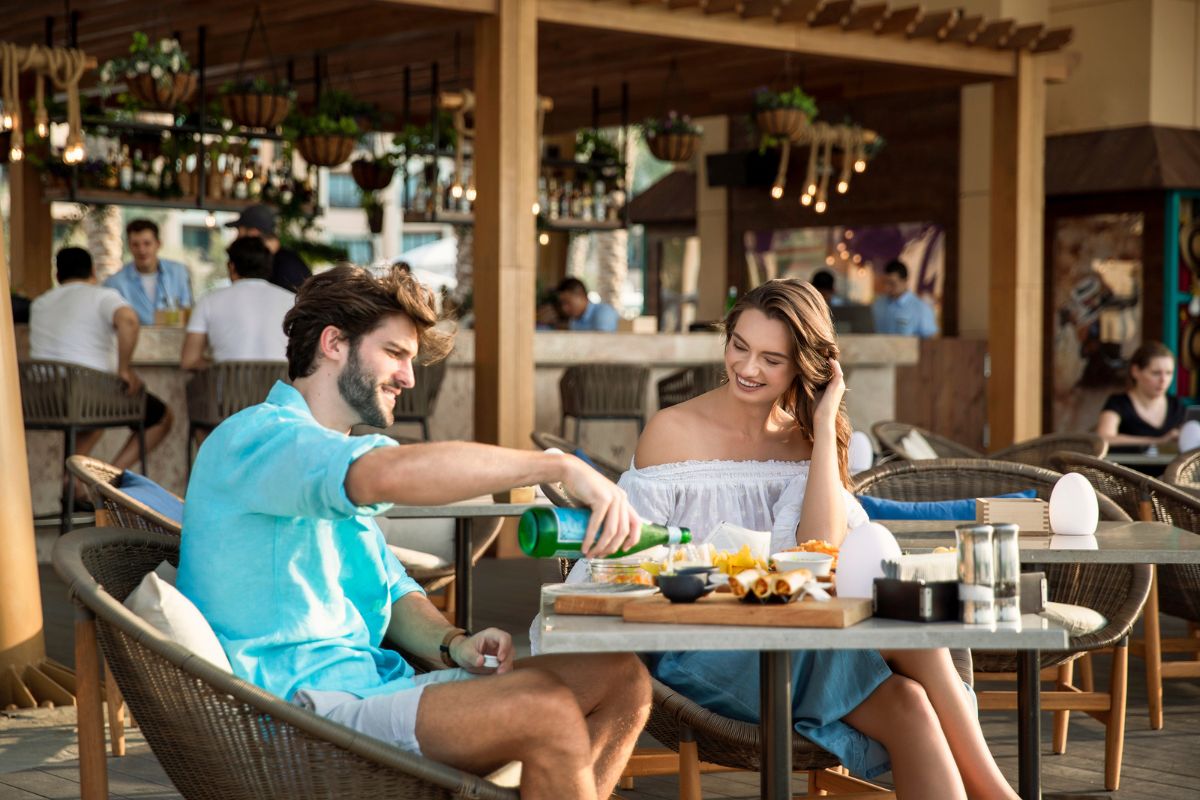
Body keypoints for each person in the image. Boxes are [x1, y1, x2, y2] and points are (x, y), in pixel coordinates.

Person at [178, 265, 650, 799]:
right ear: (334, 343)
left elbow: (393, 590)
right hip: (299, 713)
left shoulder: (325, 454)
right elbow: (390, 473)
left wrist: (454, 644)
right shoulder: (261, 437)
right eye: (395, 353)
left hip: (372, 690)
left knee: (623, 679)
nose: (409, 378)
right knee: (544, 710)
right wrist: (556, 466)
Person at [557, 279, 1019, 800]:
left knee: (911, 704)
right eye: (740, 347)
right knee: (913, 635)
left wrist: (824, 427)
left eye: (772, 359)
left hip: (798, 637)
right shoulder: (671, 431)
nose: (748, 369)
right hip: (701, 645)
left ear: (804, 364)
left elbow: (817, 548)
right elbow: (629, 558)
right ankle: (1001, 796)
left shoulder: (803, 438)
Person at [31, 248, 174, 499]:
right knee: (161, 416)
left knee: (94, 406)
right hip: (89, 395)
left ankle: (74, 476)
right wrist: (124, 369)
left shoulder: (41, 303)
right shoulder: (102, 296)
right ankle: (108, 478)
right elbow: (128, 320)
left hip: (43, 398)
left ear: (57, 274)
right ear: (93, 272)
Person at [180, 237, 295, 370]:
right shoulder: (292, 301)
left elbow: (189, 361)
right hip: (279, 388)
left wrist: (221, 367)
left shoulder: (209, 301)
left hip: (230, 389)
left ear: (232, 267)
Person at [1097, 341, 1184, 449]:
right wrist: (1158, 441)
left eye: (1169, 373)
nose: (1163, 380)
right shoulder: (1118, 403)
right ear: (1135, 371)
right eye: (1156, 373)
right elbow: (1104, 438)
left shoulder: (1176, 405)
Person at [104, 219, 193, 325]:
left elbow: (188, 312)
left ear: (158, 244)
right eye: (135, 244)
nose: (142, 250)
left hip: (174, 339)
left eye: (147, 243)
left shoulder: (179, 273)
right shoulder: (115, 283)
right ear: (129, 246)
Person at [225, 204, 311, 292]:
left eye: (240, 233)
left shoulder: (288, 267)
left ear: (253, 233)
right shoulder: (273, 261)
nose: (237, 239)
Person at [871, 259, 937, 338]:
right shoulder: (878, 304)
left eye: (892, 283)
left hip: (909, 350)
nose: (887, 288)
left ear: (905, 281)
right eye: (885, 282)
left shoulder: (921, 308)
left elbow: (929, 341)